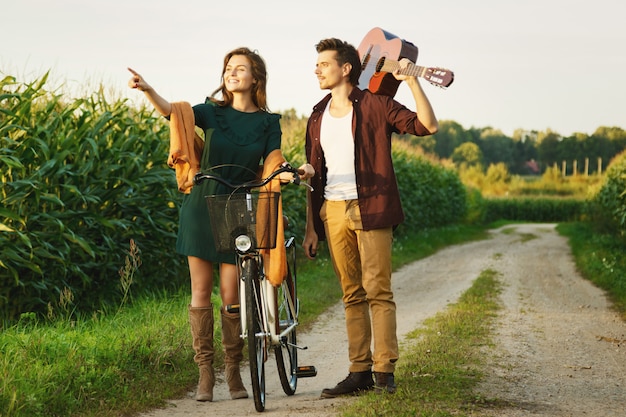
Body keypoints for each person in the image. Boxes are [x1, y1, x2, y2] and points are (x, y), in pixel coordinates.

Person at [128, 48, 313, 402]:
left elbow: (274, 157)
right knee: (200, 294)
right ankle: (204, 377)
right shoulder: (212, 112)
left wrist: (286, 171)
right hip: (201, 204)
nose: (232, 73)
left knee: (232, 297)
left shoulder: (268, 122)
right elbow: (174, 113)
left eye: (240, 68)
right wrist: (149, 89)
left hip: (240, 207)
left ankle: (232, 372)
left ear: (255, 78)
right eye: (228, 68)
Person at [302, 38, 439, 397]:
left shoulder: (377, 106)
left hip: (372, 208)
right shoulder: (316, 115)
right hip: (333, 211)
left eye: (323, 64)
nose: (317, 69)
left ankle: (383, 371)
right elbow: (314, 175)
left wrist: (411, 81)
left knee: (378, 290)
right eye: (317, 64)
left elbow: (427, 126)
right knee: (351, 294)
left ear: (346, 68)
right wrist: (311, 228)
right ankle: (358, 371)